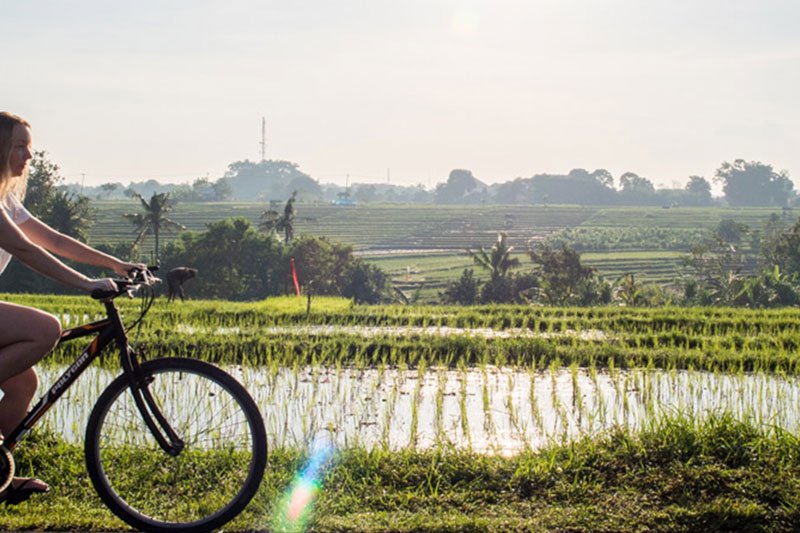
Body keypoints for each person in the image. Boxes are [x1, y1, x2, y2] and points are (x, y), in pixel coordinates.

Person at [0, 112, 143, 505]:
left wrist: (115, 265)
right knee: (45, 329)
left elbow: (54, 239)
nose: (29, 155)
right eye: (19, 146)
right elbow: (25, 250)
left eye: (30, 147)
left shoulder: (7, 200)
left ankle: (0, 478)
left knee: (23, 383)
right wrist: (85, 284)